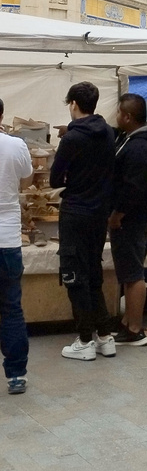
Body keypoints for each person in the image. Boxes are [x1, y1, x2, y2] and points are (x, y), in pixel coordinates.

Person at [49, 82, 116, 361]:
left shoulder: (72, 139)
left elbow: (55, 178)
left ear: (73, 104)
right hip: (99, 213)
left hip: (75, 212)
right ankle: (104, 335)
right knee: (93, 272)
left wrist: (69, 178)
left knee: (74, 274)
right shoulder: (109, 133)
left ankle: (85, 339)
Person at [108, 93, 147, 347]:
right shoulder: (132, 139)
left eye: (119, 113)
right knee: (129, 272)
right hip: (136, 216)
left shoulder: (140, 147)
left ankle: (135, 328)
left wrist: (118, 214)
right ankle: (127, 321)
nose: (117, 117)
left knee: (133, 273)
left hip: (133, 218)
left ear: (128, 117)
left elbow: (133, 187)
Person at [0, 99, 33, 394]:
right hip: (8, 238)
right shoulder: (15, 145)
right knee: (11, 309)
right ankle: (16, 375)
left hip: (8, 236)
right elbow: (27, 177)